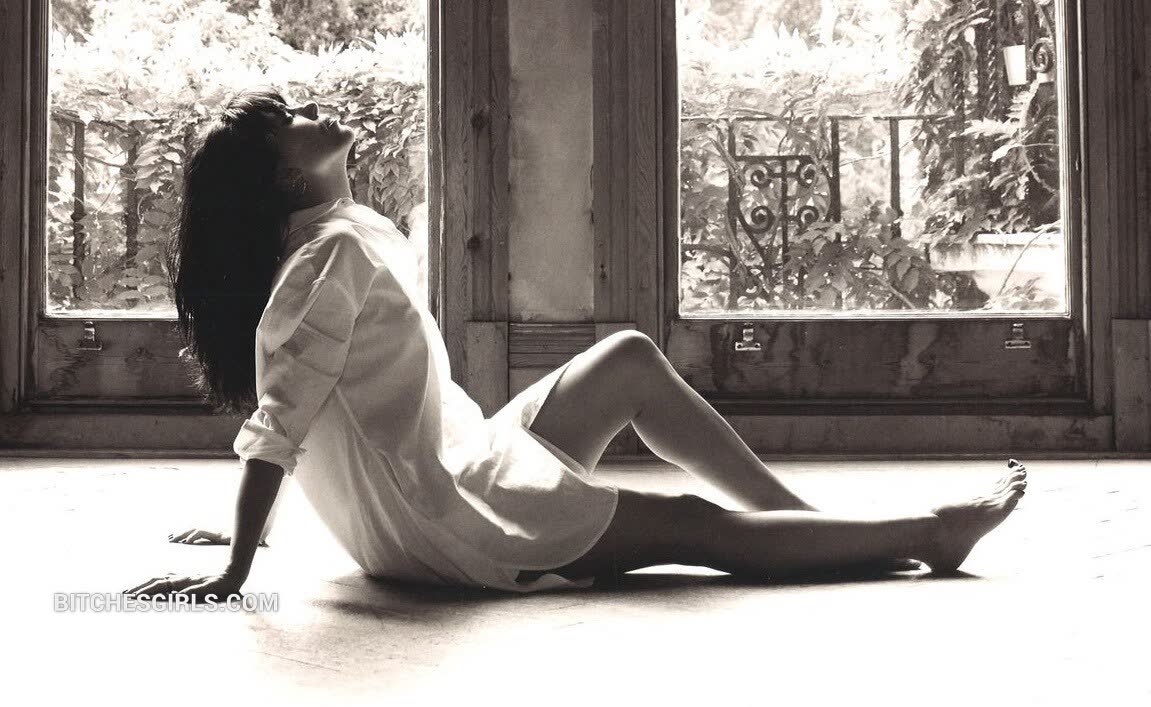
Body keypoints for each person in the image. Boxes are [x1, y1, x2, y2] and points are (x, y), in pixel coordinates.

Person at [125, 87, 1027, 600]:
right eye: (288, 122)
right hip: (446, 523)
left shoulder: (349, 232)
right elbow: (283, 420)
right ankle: (931, 535)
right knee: (696, 527)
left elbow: (313, 410)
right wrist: (235, 565)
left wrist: (250, 530)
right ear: (287, 178)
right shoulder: (327, 257)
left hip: (462, 463)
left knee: (627, 355)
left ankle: (816, 529)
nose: (309, 111)